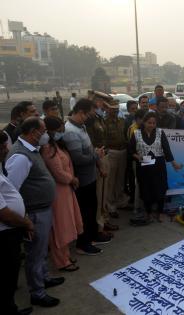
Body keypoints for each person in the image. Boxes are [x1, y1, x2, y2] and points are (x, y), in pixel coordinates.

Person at [6, 117, 63, 308]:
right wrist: (24, 219)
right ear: (33, 132)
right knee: (35, 254)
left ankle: (44, 278)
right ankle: (37, 293)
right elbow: (11, 190)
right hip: (34, 213)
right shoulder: (20, 157)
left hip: (42, 209)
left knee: (41, 250)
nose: (47, 134)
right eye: (44, 130)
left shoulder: (32, 150)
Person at [63, 99, 110, 255]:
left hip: (90, 177)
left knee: (92, 209)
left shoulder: (81, 126)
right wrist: (95, 155)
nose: (90, 117)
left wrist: (97, 161)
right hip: (82, 180)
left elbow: (88, 151)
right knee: (84, 212)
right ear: (81, 112)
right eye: (89, 114)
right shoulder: (70, 131)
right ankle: (83, 244)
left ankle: (93, 235)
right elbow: (78, 159)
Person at [41, 117, 83, 272]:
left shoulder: (55, 145)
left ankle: (65, 255)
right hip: (59, 190)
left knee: (67, 224)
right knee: (60, 227)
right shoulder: (47, 148)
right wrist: (72, 179)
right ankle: (61, 261)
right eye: (59, 130)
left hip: (66, 189)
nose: (61, 133)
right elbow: (57, 172)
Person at [0, 131, 34, 315]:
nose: (6, 149)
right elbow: (4, 214)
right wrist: (26, 222)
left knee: (10, 273)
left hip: (11, 229)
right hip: (5, 232)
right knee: (6, 274)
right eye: (2, 146)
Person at [130, 112, 182, 222]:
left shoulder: (160, 132)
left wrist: (174, 164)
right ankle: (148, 212)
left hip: (158, 166)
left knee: (160, 189)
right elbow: (130, 150)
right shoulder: (136, 133)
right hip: (144, 167)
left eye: (154, 123)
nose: (152, 125)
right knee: (145, 189)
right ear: (144, 122)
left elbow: (167, 150)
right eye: (149, 123)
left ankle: (160, 212)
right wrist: (137, 156)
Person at [85, 91, 113, 234]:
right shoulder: (90, 120)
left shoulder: (99, 117)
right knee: (99, 194)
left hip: (104, 155)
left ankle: (104, 219)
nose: (105, 104)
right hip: (98, 157)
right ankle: (99, 225)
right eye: (102, 101)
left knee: (104, 193)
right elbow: (90, 143)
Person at [103, 100, 130, 222]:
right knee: (110, 181)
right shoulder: (103, 123)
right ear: (107, 109)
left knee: (120, 179)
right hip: (112, 152)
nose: (115, 110)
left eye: (116, 108)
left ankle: (120, 202)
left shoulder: (122, 121)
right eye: (112, 108)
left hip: (122, 151)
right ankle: (111, 206)